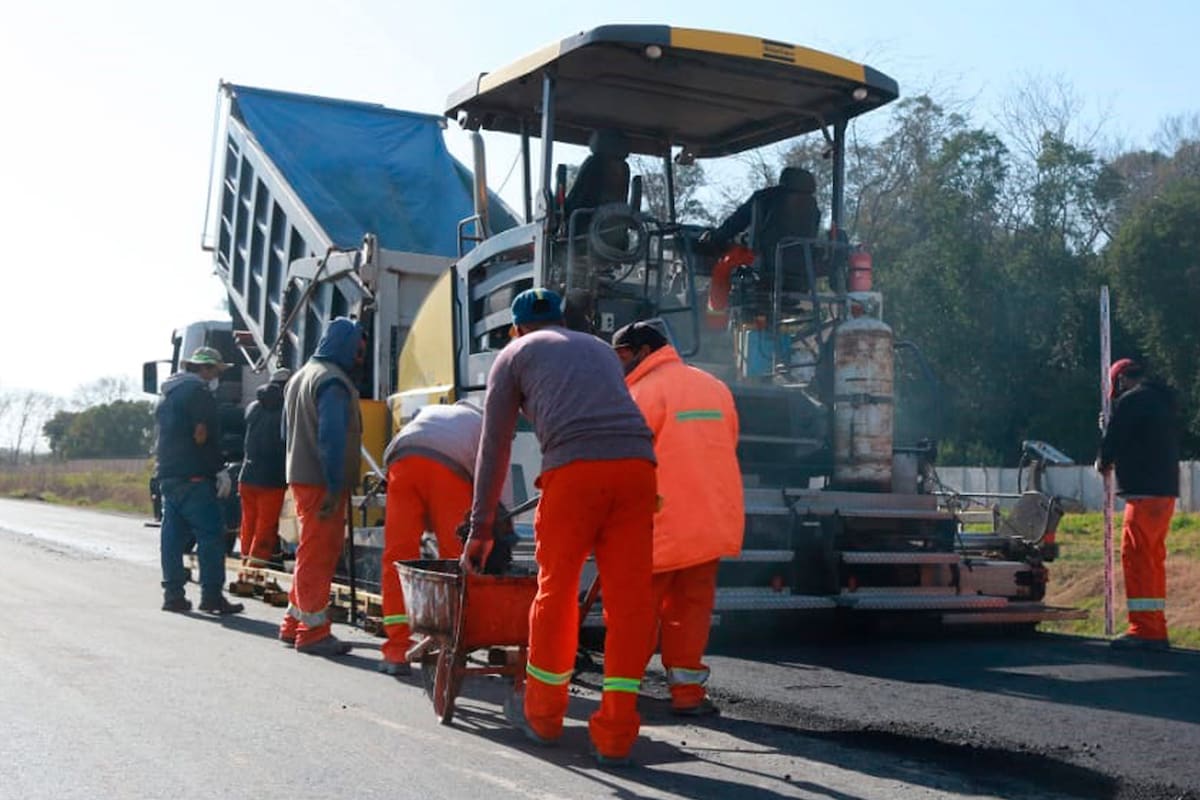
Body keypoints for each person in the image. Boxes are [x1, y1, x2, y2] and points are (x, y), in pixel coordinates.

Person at [461, 287, 657, 766]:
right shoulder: (599, 349)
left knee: (557, 591)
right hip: (638, 467)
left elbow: (495, 446)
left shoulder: (515, 354)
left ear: (518, 326)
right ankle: (616, 734)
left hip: (574, 471)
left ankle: (543, 715)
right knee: (630, 601)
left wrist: (480, 527)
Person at [612, 320, 744, 716]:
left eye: (620, 356)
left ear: (642, 350)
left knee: (637, 611)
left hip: (658, 523)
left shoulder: (638, 393)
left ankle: (622, 695)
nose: (617, 365)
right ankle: (687, 695)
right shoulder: (714, 386)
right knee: (691, 608)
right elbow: (729, 442)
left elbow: (628, 459)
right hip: (709, 521)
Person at [377, 400, 483, 677]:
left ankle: (396, 648)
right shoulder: (487, 427)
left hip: (402, 459)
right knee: (455, 561)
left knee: (397, 557)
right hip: (449, 467)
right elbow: (496, 496)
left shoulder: (433, 412)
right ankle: (453, 644)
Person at [279, 318, 365, 657]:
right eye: (358, 348)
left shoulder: (300, 376)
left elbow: (285, 435)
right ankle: (313, 633)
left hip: (301, 476)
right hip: (322, 481)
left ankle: (293, 622)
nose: (360, 356)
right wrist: (334, 485)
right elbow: (331, 437)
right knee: (318, 555)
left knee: (308, 551)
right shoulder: (332, 382)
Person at [155, 346, 244, 616]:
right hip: (194, 476)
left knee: (172, 538)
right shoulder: (199, 393)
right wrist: (218, 469)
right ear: (203, 368)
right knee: (211, 535)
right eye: (215, 370)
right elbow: (202, 434)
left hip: (168, 476)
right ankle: (212, 597)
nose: (216, 375)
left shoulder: (166, 396)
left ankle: (173, 595)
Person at [1098, 358, 1180, 650]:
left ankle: (1144, 629)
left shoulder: (1131, 402)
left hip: (1143, 493)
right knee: (1152, 558)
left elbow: (1115, 440)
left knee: (1136, 559)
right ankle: (1155, 625)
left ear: (1120, 381)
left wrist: (1103, 459)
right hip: (1165, 493)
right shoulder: (1162, 402)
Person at [702, 166, 820, 281]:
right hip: (803, 271)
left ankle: (711, 301)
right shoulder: (814, 208)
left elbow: (734, 224)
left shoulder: (764, 197)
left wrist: (715, 237)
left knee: (722, 269)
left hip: (764, 265)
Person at [237, 368, 291, 568]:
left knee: (248, 524)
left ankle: (245, 567)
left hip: (247, 475)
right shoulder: (287, 409)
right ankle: (255, 572)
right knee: (265, 527)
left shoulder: (253, 407)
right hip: (272, 479)